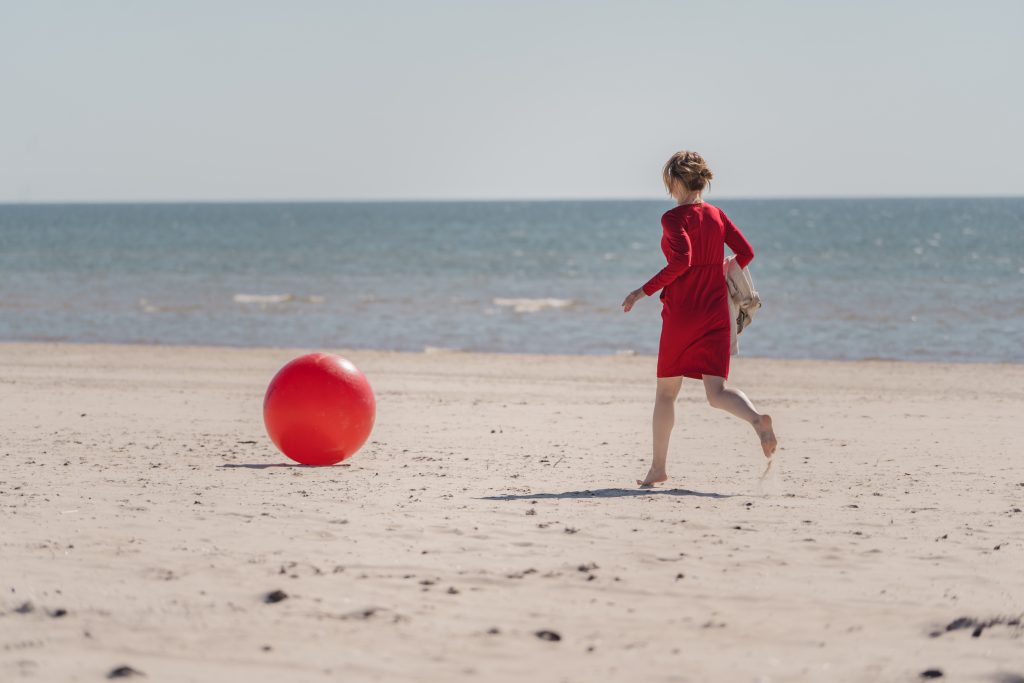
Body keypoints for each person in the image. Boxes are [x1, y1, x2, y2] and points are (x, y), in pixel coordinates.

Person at [622, 150, 777, 487]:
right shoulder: (717, 215)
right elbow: (746, 253)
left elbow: (681, 262)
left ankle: (658, 468)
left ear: (676, 182)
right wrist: (722, 266)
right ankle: (756, 420)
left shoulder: (673, 218)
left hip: (684, 312)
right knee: (716, 391)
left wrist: (641, 291)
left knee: (666, 394)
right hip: (717, 310)